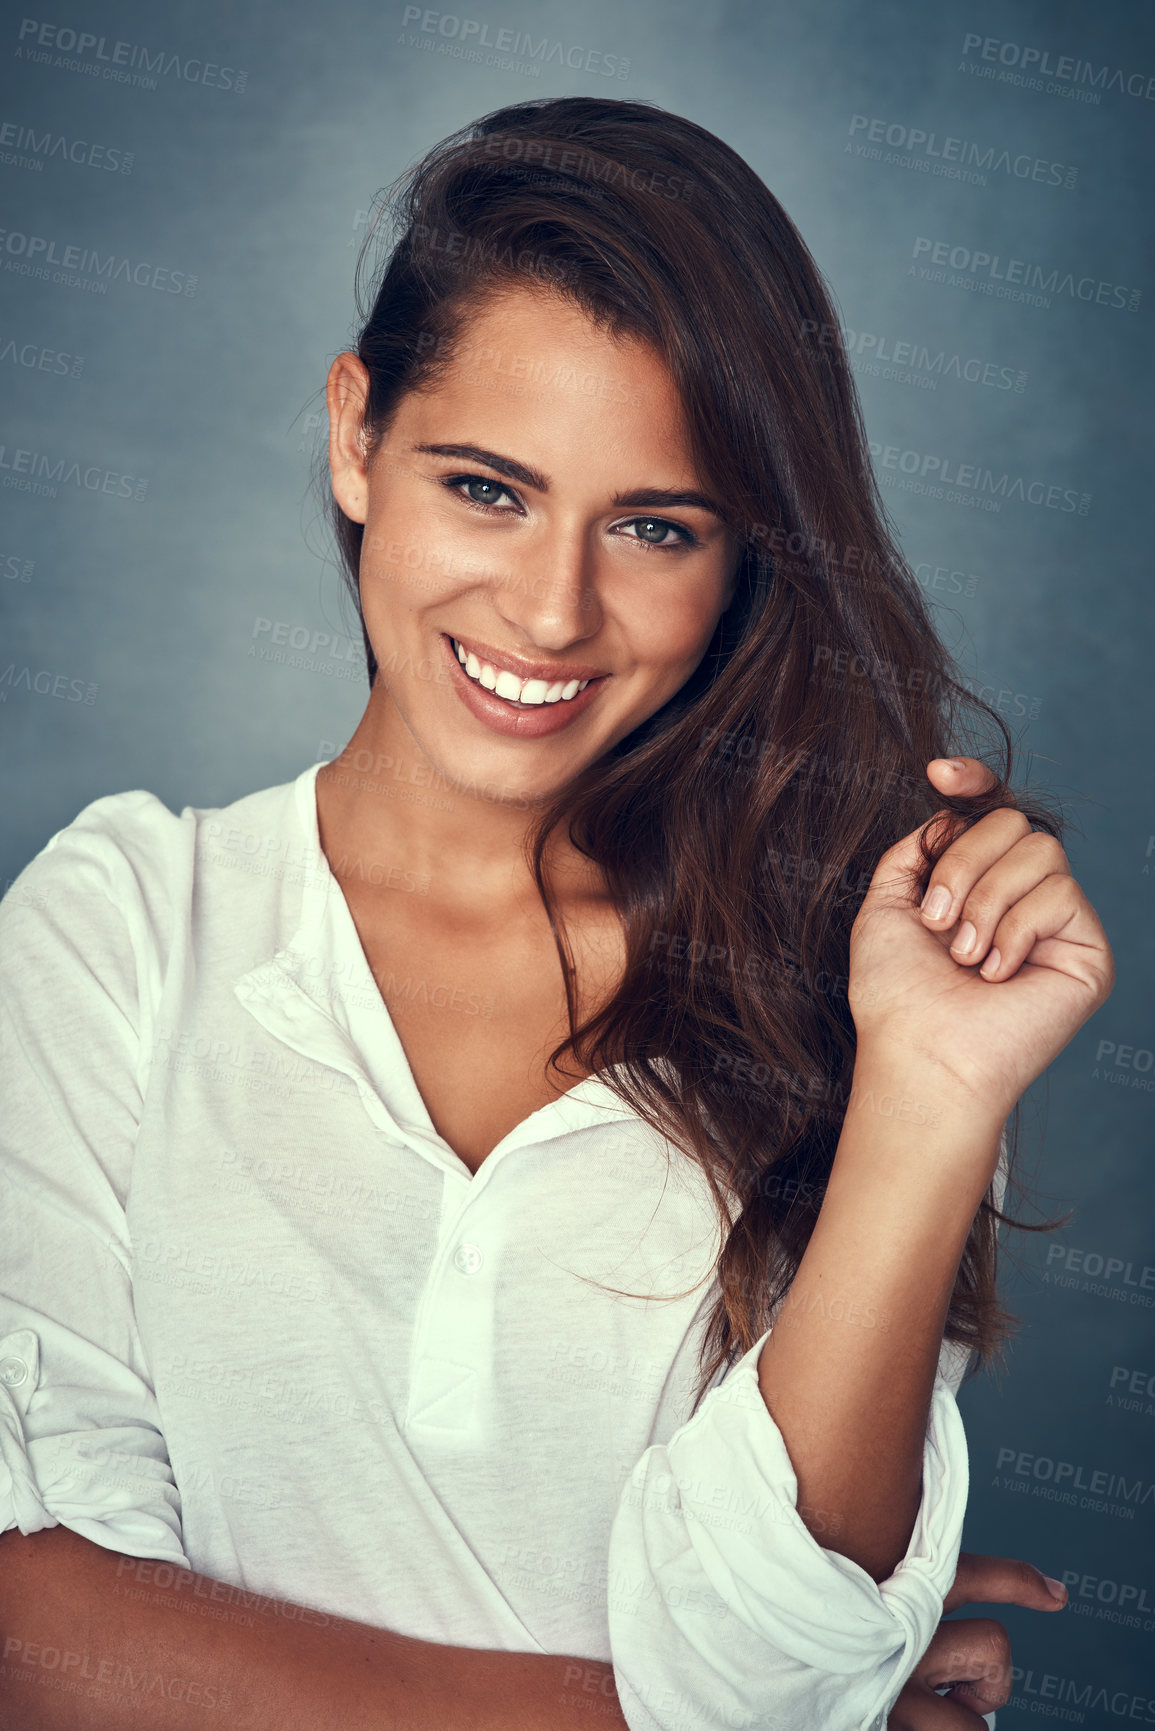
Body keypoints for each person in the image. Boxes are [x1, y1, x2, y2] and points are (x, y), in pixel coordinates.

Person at [0, 96, 1113, 1731]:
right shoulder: (120, 928)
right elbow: (39, 1637)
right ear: (356, 439)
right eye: (487, 488)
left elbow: (767, 1653)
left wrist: (932, 1102)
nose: (550, 608)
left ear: (744, 566)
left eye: (655, 527)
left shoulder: (868, 987)